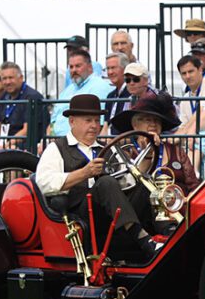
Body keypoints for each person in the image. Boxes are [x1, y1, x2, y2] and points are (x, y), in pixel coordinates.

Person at [35, 94, 161, 263]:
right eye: (88, 121)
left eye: (97, 120)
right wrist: (84, 173)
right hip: (80, 214)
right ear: (72, 121)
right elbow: (44, 183)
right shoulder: (56, 148)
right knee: (105, 183)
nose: (94, 126)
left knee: (146, 183)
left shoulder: (108, 148)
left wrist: (148, 156)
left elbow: (131, 180)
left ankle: (164, 233)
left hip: (112, 212)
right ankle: (144, 240)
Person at [107, 93, 201, 195]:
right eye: (148, 120)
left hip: (178, 205)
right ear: (135, 125)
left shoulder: (175, 151)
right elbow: (127, 186)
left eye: (157, 120)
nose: (153, 124)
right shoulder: (126, 151)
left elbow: (193, 186)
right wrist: (147, 153)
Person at [49, 47, 111, 137]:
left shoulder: (99, 86)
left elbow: (98, 124)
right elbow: (53, 121)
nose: (74, 70)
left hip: (80, 142)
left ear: (90, 67)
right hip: (59, 141)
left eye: (78, 66)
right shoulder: (67, 90)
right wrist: (50, 137)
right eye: (71, 67)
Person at [174, 54, 205, 135]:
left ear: (200, 69)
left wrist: (182, 133)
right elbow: (183, 125)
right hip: (193, 141)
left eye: (191, 71)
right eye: (184, 73)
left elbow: (201, 111)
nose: (188, 76)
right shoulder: (185, 98)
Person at [102, 52, 132, 123]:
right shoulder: (110, 96)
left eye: (113, 68)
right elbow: (106, 124)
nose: (110, 72)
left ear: (125, 69)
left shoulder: (131, 93)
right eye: (108, 68)